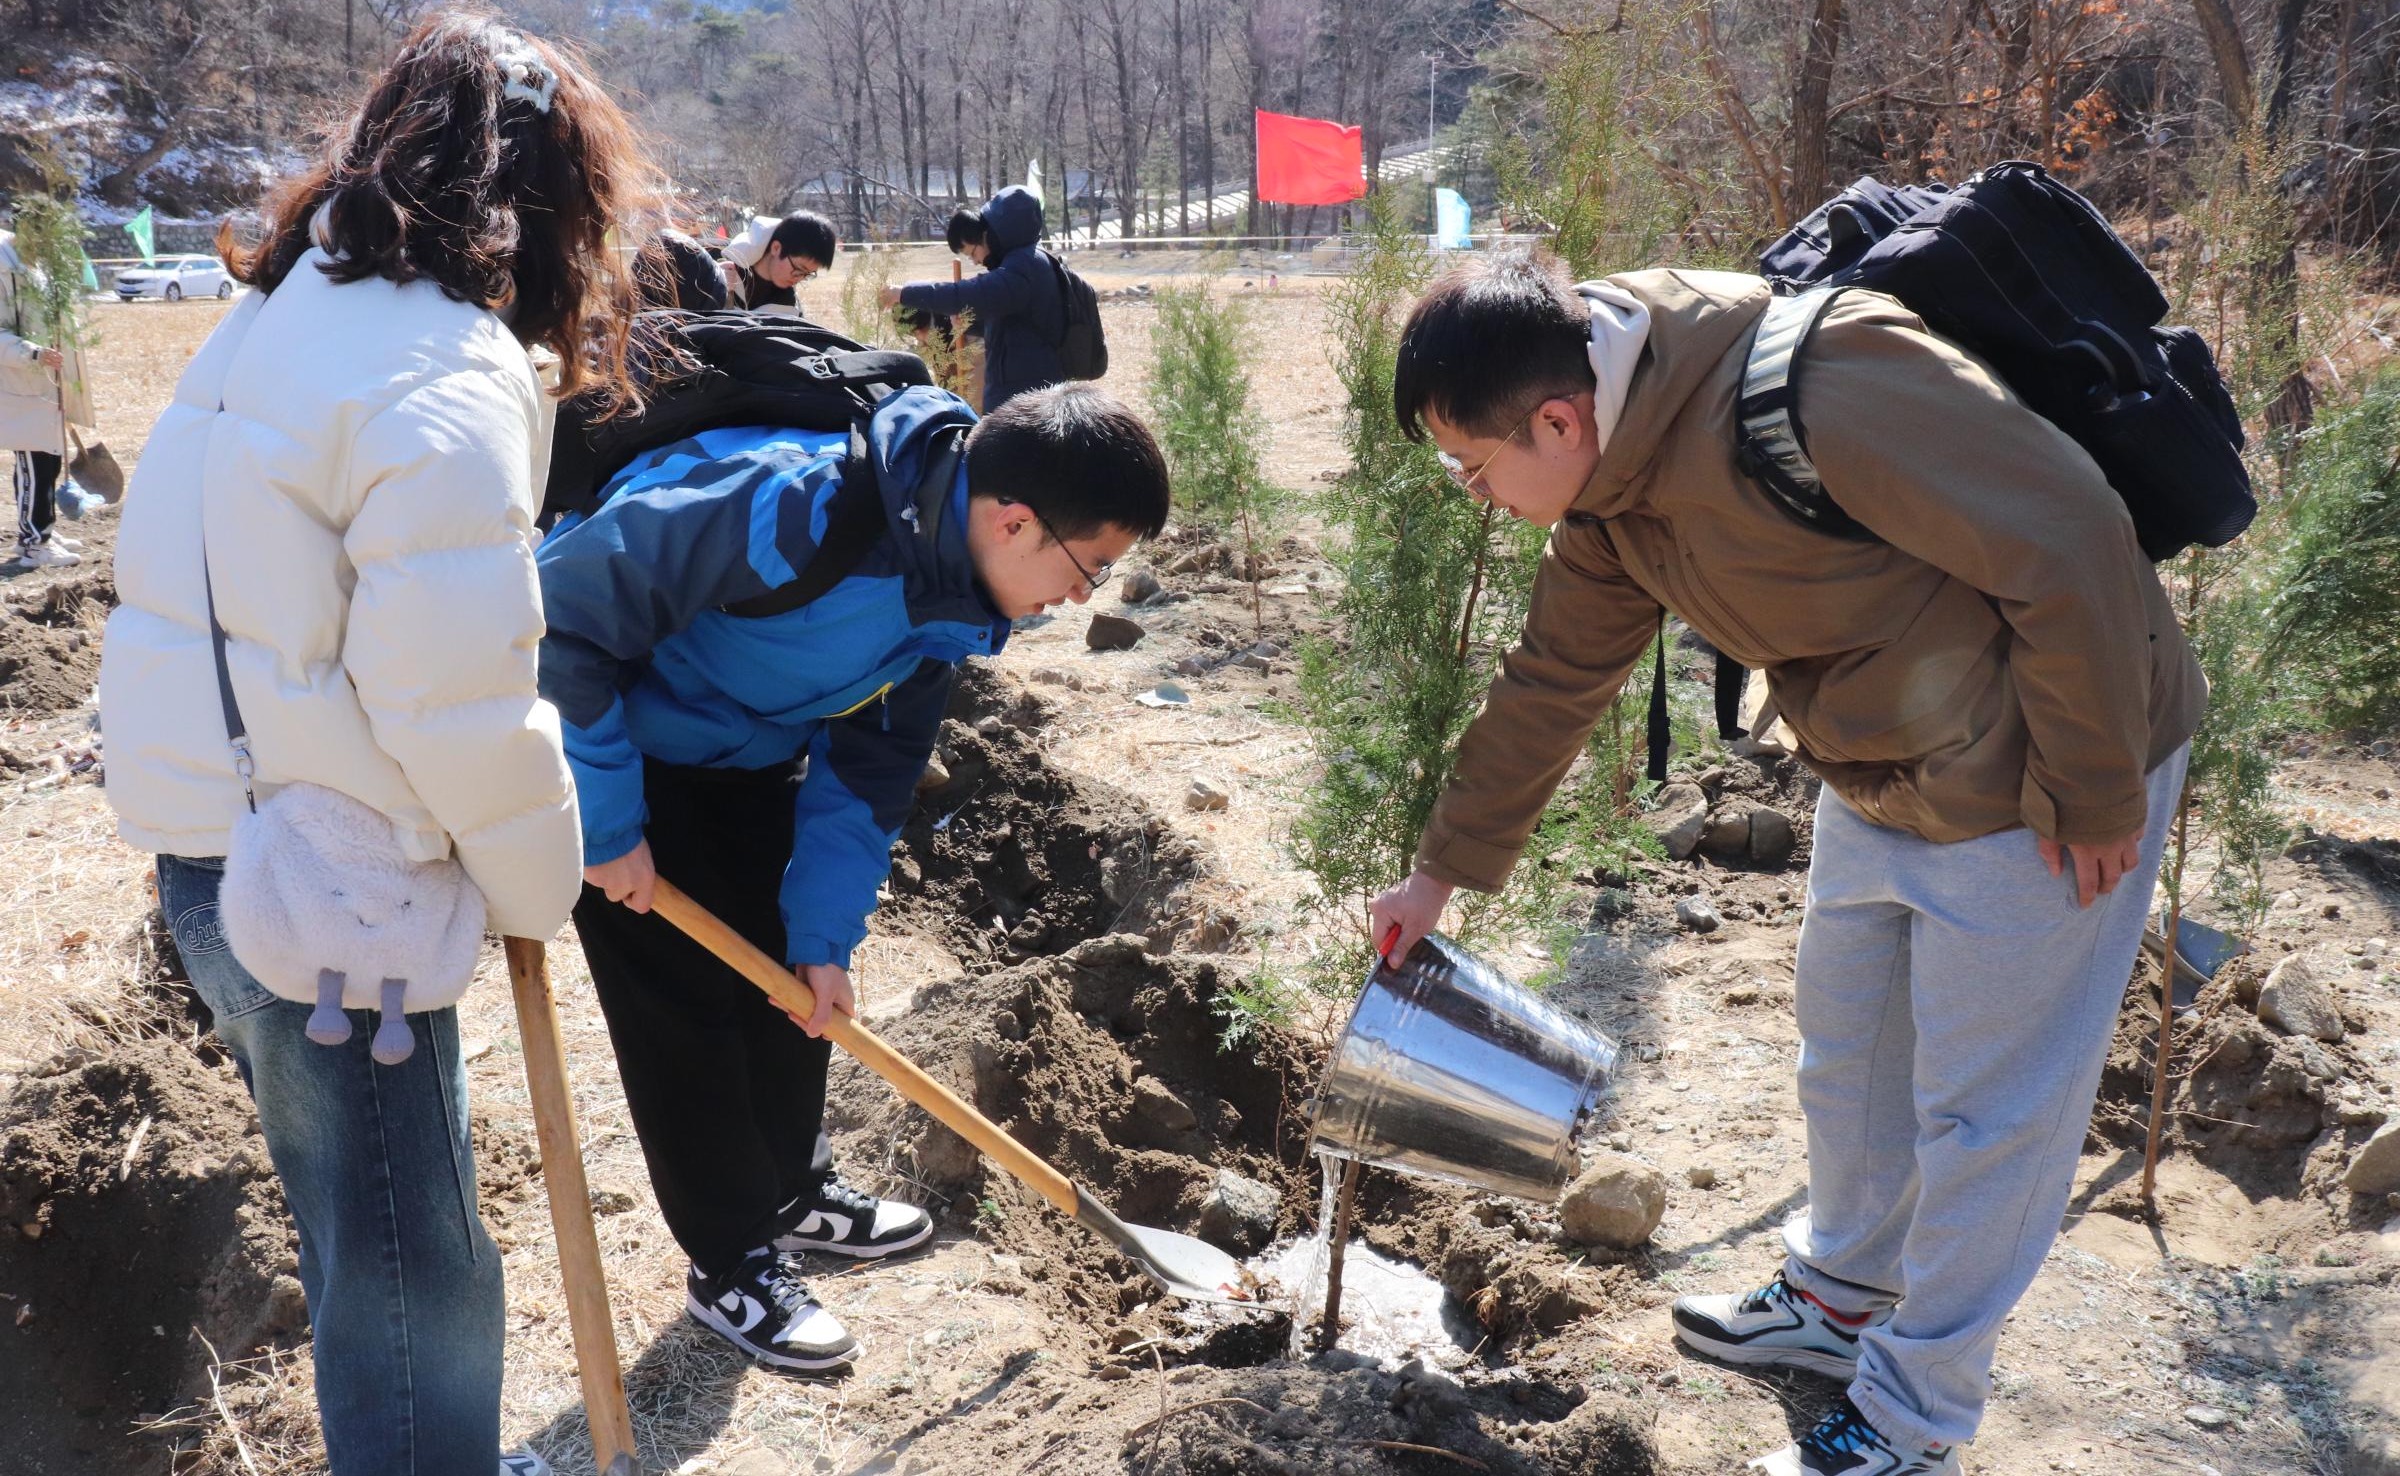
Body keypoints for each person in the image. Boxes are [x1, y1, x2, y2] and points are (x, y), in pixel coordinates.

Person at [1367, 252, 2202, 1476]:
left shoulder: (1823, 380)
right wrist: (1438, 875)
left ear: (1556, 417)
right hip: (1878, 760)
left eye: (1475, 466)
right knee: (1850, 1046)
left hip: (2046, 768)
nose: (1471, 491)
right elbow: (1552, 681)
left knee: (1990, 1115)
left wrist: (2092, 784)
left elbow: (2068, 533)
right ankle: (1841, 1296)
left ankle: (1917, 1416)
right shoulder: (1609, 487)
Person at [96, 17, 657, 1475]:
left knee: (376, 1228)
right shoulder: (444, 368)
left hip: (217, 853)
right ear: (549, 196)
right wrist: (543, 877)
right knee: (415, 1268)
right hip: (331, 896)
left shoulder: (277, 314)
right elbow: (454, 700)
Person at [535, 381, 1171, 1373]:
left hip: (748, 756)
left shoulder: (950, 603)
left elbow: (865, 782)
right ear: (1015, 522)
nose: (1078, 600)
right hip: (617, 752)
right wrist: (607, 821)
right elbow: (560, 613)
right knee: (686, 1015)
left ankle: (792, 1192)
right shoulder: (790, 509)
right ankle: (730, 1261)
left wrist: (824, 939)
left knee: (791, 987)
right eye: (1088, 569)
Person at [885, 186, 1062, 412]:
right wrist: (974, 324)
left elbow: (965, 294)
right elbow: (1014, 323)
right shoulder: (1024, 265)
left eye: (972, 253)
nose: (976, 262)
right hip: (1022, 391)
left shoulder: (1020, 270)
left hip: (1025, 399)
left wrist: (904, 293)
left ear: (989, 235)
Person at [1, 223, 96, 569]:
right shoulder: (4, 270)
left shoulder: (37, 266)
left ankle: (44, 531)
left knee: (50, 461)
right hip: (21, 386)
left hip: (46, 385)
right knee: (34, 466)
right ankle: (33, 544)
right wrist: (33, 353)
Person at [721, 210, 837, 315]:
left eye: (807, 274)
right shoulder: (719, 272)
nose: (799, 278)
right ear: (776, 248)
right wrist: (716, 283)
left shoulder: (790, 305)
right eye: (798, 269)